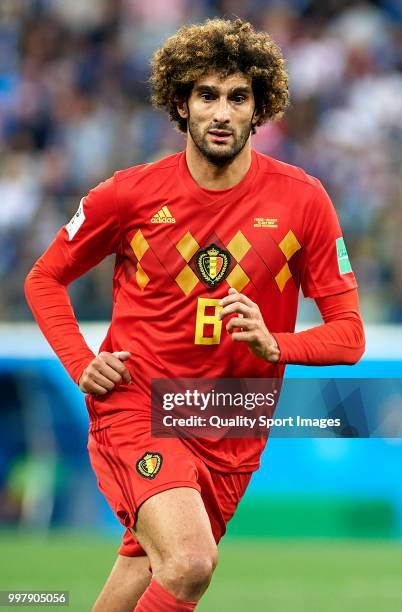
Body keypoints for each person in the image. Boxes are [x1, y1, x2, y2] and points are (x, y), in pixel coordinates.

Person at [25, 18, 365, 612]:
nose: (221, 112)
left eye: (238, 98)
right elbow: (44, 278)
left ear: (259, 109)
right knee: (190, 562)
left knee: (148, 572)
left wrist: (275, 343)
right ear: (181, 102)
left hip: (235, 418)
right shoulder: (128, 195)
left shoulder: (303, 201)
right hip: (139, 401)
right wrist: (82, 362)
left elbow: (350, 334)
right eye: (207, 95)